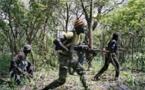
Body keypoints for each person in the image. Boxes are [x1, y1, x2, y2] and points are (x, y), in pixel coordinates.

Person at [41, 20, 88, 90]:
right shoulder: (71, 34)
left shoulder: (78, 37)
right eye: (83, 27)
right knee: (61, 80)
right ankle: (44, 89)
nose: (84, 28)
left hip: (70, 57)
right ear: (78, 27)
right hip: (63, 57)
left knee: (82, 71)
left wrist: (84, 49)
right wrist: (66, 49)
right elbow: (56, 40)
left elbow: (74, 47)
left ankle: (87, 88)